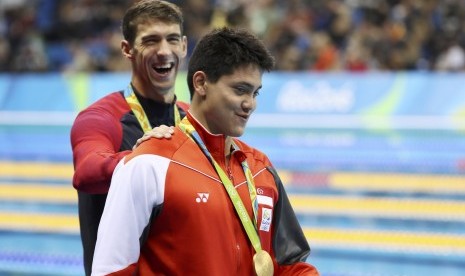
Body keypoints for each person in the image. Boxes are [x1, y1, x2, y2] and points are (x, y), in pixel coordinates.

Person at [92, 27, 319, 276]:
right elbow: (111, 270)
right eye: (240, 90)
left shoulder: (260, 168)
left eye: (255, 93)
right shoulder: (150, 163)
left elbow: (290, 264)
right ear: (201, 83)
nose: (250, 104)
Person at [69, 1, 188, 275]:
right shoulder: (101, 118)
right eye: (150, 41)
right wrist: (141, 158)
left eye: (172, 39)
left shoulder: (193, 120)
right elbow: (86, 173)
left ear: (183, 46)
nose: (164, 50)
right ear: (127, 50)